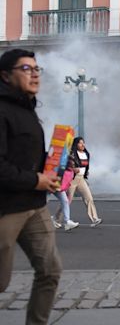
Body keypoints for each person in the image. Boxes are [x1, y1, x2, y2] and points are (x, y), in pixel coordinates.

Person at [0, 48, 62, 324]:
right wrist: (37, 179)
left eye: (37, 69)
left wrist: (49, 172)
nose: (35, 74)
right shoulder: (2, 111)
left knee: (50, 271)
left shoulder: (29, 110)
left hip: (35, 207)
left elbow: (26, 157)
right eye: (26, 69)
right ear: (5, 76)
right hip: (6, 210)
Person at [66, 137, 102, 227]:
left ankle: (95, 219)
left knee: (89, 198)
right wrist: (73, 169)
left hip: (81, 179)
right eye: (80, 143)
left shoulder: (86, 153)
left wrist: (85, 174)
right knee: (67, 201)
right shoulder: (72, 154)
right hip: (72, 179)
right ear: (76, 144)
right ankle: (56, 218)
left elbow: (86, 167)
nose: (82, 145)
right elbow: (68, 165)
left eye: (83, 143)